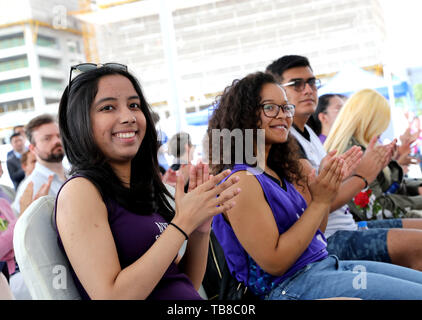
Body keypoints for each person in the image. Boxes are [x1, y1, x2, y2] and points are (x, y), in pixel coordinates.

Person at [208, 71, 422, 300]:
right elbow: (275, 263)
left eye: (285, 107)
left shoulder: (275, 170)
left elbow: (315, 234)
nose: (283, 115)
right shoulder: (241, 181)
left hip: (322, 266)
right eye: (270, 108)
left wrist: (325, 193)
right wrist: (321, 201)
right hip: (289, 286)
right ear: (245, 115)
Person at [55, 63, 240, 300]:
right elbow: (111, 297)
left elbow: (184, 283)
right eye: (108, 107)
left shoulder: (142, 190)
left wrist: (199, 230)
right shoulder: (80, 191)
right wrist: (183, 222)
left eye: (134, 105)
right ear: (79, 122)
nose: (129, 117)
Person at [266, 55, 422, 271]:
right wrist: (361, 178)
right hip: (327, 242)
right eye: (296, 84)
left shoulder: (309, 133)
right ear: (276, 93)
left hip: (349, 228)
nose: (308, 90)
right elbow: (318, 205)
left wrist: (365, 173)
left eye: (312, 82)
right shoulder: (286, 141)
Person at [325, 88, 422, 220]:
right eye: (382, 123)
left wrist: (417, 188)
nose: (383, 130)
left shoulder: (359, 146)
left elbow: (386, 189)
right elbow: (376, 211)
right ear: (370, 121)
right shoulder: (353, 153)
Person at [11, 114, 66, 215]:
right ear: (32, 148)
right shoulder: (29, 189)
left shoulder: (74, 172)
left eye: (59, 136)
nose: (57, 141)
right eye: (47, 138)